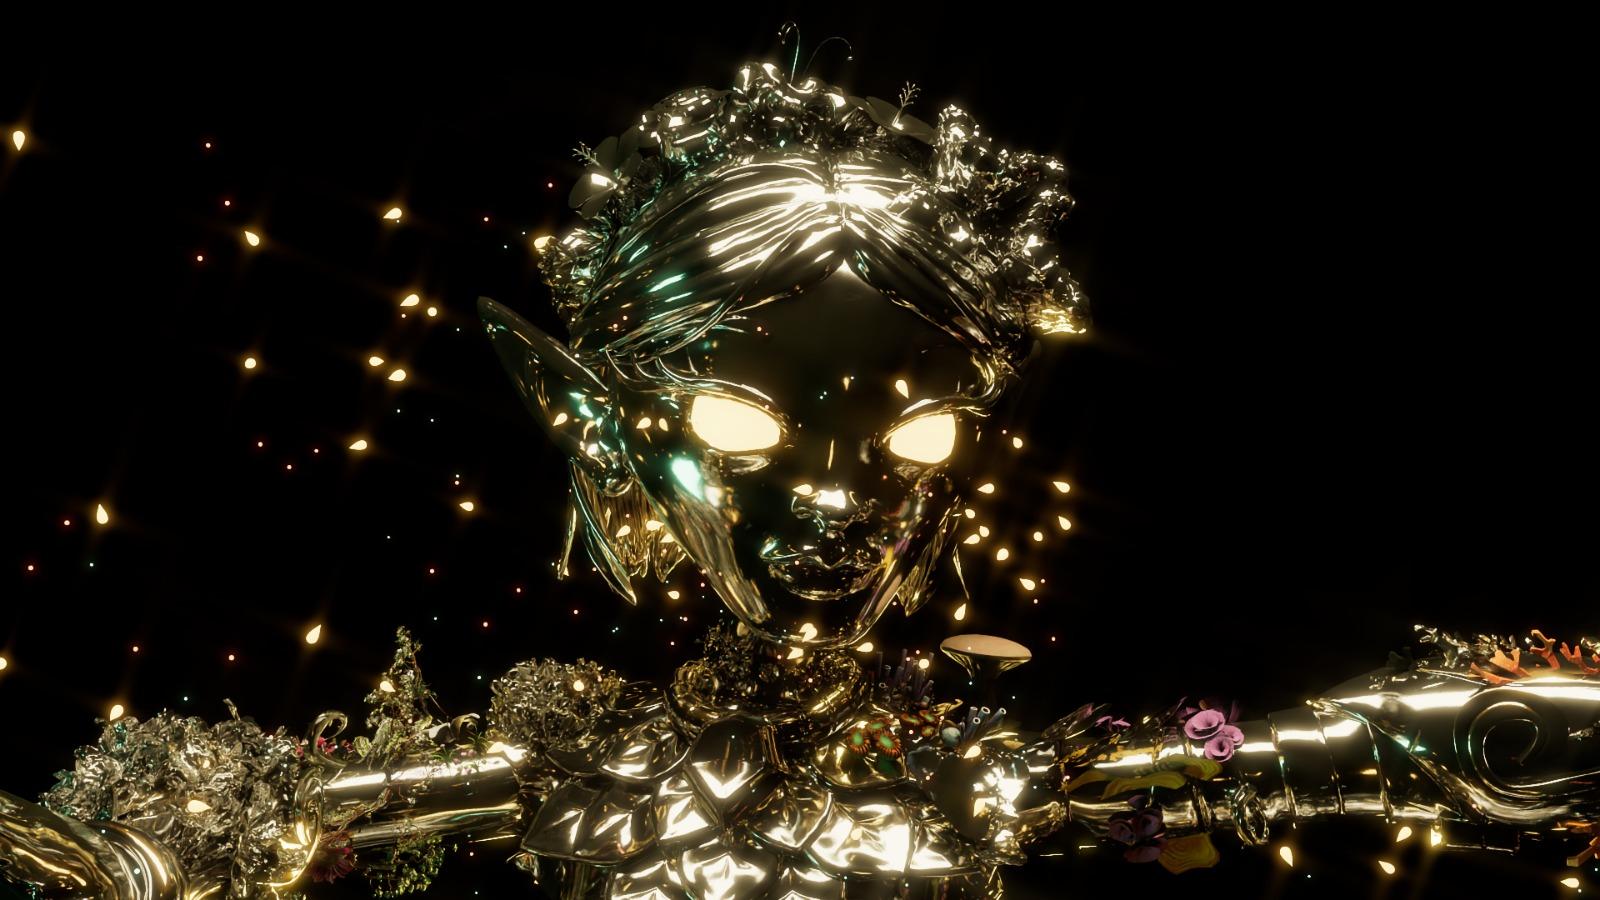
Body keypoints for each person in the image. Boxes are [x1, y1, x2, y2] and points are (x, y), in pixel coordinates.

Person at [2, 57, 1596, 900]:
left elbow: (1322, 759)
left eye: (912, 438)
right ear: (609, 430)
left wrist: (1448, 739)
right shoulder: (562, 767)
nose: (835, 503)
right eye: (751, 428)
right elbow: (235, 816)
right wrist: (129, 854)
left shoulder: (993, 783)